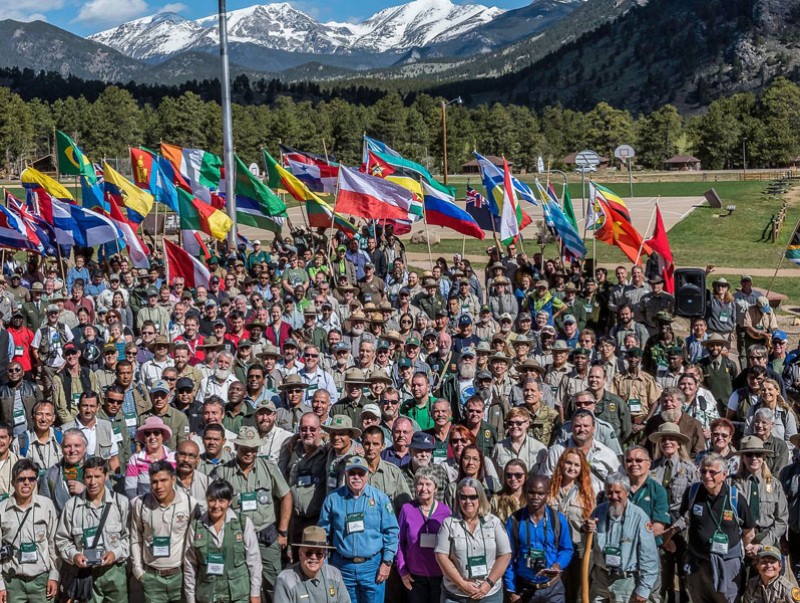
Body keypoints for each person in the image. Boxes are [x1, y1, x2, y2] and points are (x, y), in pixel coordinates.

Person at [214, 425, 293, 599]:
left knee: (274, 584)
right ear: (236, 448)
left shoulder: (269, 467)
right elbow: (213, 504)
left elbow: (286, 495)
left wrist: (283, 531)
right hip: (237, 537)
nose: (249, 453)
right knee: (240, 585)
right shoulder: (223, 472)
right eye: (245, 449)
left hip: (267, 535)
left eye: (253, 449)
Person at [318, 456, 399, 603]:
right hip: (342, 568)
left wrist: (387, 562)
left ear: (367, 475)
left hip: (372, 568)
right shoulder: (333, 499)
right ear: (346, 475)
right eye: (352, 473)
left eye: (360, 473)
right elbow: (322, 534)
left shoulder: (380, 499)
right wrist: (324, 565)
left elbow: (392, 531)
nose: (356, 477)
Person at [681, 452, 755, 603]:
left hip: (727, 564)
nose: (707, 476)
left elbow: (749, 531)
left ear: (724, 474)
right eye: (703, 471)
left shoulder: (735, 498)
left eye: (712, 472)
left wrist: (746, 547)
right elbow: (683, 517)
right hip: (698, 563)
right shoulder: (692, 493)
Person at [55, 456, 131, 603]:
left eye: (97, 476)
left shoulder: (120, 503)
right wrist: (74, 555)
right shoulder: (72, 506)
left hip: (114, 572)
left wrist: (115, 553)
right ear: (83, 478)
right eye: (89, 477)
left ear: (106, 477)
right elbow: (62, 539)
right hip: (84, 574)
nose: (93, 482)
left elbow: (129, 538)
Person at [130, 460, 201, 603]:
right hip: (151, 577)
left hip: (180, 576)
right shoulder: (140, 504)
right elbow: (135, 537)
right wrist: (138, 570)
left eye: (164, 480)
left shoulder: (189, 503)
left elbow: (196, 540)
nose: (159, 486)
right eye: (154, 482)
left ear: (173, 479)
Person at [584, 472, 660, 603]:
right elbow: (589, 542)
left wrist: (644, 588)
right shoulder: (599, 511)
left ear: (627, 492)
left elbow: (649, 557)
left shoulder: (640, 517)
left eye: (618, 492)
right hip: (600, 577)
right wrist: (586, 529)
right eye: (609, 492)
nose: (613, 497)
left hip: (625, 581)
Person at [183, 479, 263, 603]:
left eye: (221, 501)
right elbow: (190, 565)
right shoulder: (196, 527)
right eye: (212, 500)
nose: (216, 506)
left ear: (229, 501)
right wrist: (190, 598)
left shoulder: (243, 523)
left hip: (238, 594)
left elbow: (254, 560)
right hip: (208, 595)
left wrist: (255, 593)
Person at [434, 478, 511, 603]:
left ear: (480, 498)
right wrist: (462, 584)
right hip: (456, 594)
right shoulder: (449, 524)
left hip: (489, 594)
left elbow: (505, 554)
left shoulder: (493, 522)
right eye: (463, 497)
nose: (467, 501)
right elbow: (441, 556)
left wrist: (488, 584)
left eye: (472, 497)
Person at [504, 475, 574, 603]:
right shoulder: (515, 520)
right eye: (531, 492)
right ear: (525, 492)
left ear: (547, 494)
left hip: (553, 588)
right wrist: (512, 589)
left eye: (540, 493)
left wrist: (558, 564)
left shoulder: (557, 519)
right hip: (525, 588)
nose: (535, 497)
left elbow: (567, 549)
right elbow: (508, 556)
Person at [0, 458, 60, 601]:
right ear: (13, 483)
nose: (27, 483)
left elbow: (53, 544)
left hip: (41, 580)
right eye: (21, 479)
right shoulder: (2, 509)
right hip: (12, 582)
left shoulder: (47, 506)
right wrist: (0, 584)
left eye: (31, 479)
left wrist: (54, 575)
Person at [396, 466, 452, 603]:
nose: (424, 488)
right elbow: (399, 542)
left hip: (440, 575)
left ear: (435, 488)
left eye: (428, 484)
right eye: (420, 484)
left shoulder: (446, 512)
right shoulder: (407, 509)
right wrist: (402, 571)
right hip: (414, 576)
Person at [547, 447, 595, 603]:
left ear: (582, 469)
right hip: (553, 549)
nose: (572, 468)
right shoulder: (549, 490)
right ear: (561, 464)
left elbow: (591, 521)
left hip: (577, 549)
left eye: (576, 465)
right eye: (569, 463)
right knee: (553, 591)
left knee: (576, 592)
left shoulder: (586, 493)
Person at [731, 436, 788, 550]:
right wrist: (744, 542)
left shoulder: (774, 484)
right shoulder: (731, 483)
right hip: (739, 540)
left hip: (768, 539)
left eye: (758, 454)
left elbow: (782, 519)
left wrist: (763, 544)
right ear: (742, 458)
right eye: (749, 454)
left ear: (763, 457)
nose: (754, 458)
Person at [273, 526, 350, 603]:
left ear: (325, 555)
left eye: (319, 553)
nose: (313, 557)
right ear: (300, 554)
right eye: (308, 553)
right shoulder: (285, 580)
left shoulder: (334, 575)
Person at [125, 416, 176, 499]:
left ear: (162, 436)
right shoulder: (135, 459)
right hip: (144, 507)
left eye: (156, 433)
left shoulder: (173, 457)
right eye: (148, 434)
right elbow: (130, 490)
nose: (152, 437)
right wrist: (138, 508)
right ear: (144, 438)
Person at [491, 407, 547, 477]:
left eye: (519, 423)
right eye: (510, 423)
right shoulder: (499, 448)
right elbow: (494, 477)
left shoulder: (540, 448)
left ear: (527, 423)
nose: (514, 426)